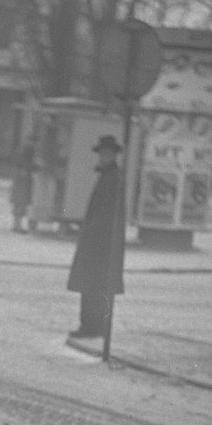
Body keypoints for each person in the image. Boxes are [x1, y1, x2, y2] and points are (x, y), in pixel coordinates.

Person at [67, 134, 125, 338]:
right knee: (94, 287)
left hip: (99, 245)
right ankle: (93, 327)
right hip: (98, 244)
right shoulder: (109, 176)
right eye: (102, 154)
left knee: (94, 287)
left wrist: (91, 236)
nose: (103, 157)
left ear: (114, 155)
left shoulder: (113, 178)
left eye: (107, 154)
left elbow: (106, 214)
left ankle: (91, 327)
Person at [9, 139, 36, 232]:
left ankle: (16, 225)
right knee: (21, 204)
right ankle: (18, 226)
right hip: (23, 184)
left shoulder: (20, 156)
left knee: (18, 205)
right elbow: (26, 168)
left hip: (19, 183)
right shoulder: (27, 158)